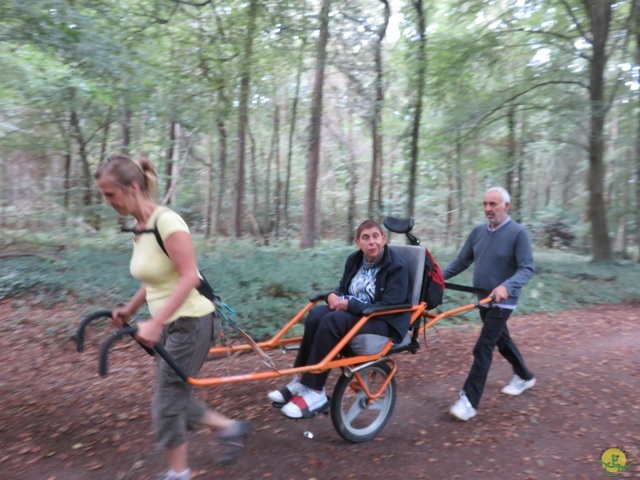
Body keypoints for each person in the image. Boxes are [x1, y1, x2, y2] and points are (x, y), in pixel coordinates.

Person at [95, 154, 250, 480]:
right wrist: (131, 309)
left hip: (192, 322)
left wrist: (154, 321)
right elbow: (155, 276)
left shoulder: (168, 221)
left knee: (167, 401)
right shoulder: (141, 227)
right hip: (165, 323)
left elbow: (189, 276)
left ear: (133, 187)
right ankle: (230, 428)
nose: (107, 202)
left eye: (111, 194)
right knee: (173, 393)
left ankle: (178, 473)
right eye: (104, 195)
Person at [267, 220, 411, 419]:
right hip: (357, 314)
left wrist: (349, 305)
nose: (372, 242)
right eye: (366, 238)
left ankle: (316, 392)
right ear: (357, 242)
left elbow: (389, 307)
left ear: (384, 238)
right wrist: (333, 296)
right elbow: (344, 290)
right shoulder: (354, 260)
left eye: (376, 236)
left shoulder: (396, 267)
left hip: (383, 320)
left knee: (333, 321)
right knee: (317, 314)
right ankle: (302, 379)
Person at [444, 187, 536, 421]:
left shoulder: (518, 233)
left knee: (483, 346)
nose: (488, 209)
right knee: (501, 341)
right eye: (485, 204)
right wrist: (438, 278)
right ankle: (524, 375)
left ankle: (468, 401)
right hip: (483, 298)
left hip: (503, 302)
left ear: (506, 206)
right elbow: (463, 260)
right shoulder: (477, 232)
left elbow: (527, 268)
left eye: (493, 204)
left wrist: (507, 286)